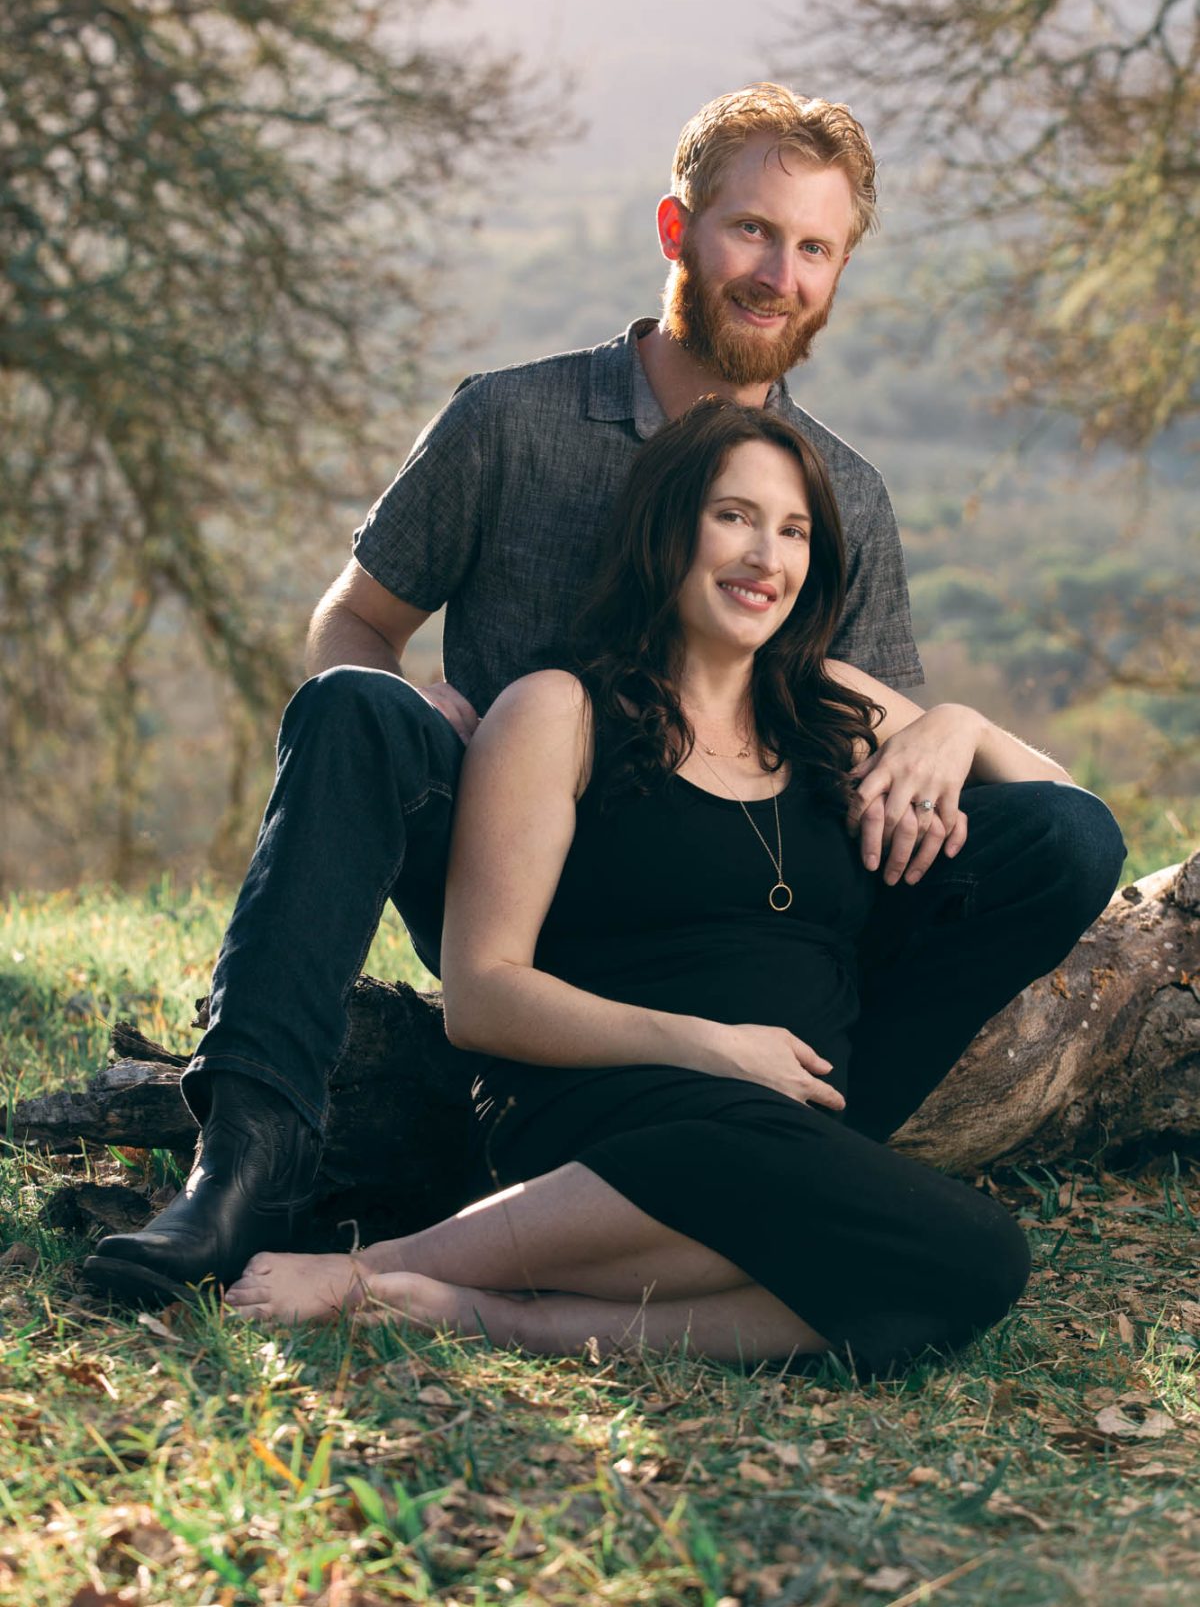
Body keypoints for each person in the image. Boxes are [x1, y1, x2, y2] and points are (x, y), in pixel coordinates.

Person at [84, 84, 1124, 1310]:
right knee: (354, 709)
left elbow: (869, 742)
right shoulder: (512, 420)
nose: (777, 273)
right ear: (678, 231)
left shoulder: (842, 489)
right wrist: (430, 714)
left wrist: (951, 726)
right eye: (752, 231)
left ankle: (824, 1117)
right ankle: (242, 1166)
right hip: (510, 857)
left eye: (814, 248)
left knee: (1054, 834)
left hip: (730, 891)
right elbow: (353, 620)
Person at [223, 403, 1065, 1373]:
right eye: (734, 518)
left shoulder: (835, 710)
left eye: (793, 532)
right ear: (668, 529)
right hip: (604, 1123)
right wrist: (714, 1049)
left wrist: (955, 724)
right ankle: (378, 1269)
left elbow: (1072, 822)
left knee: (981, 1262)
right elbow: (482, 994)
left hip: (781, 1136)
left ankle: (486, 1314)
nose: (767, 557)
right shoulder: (558, 711)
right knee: (753, 1162)